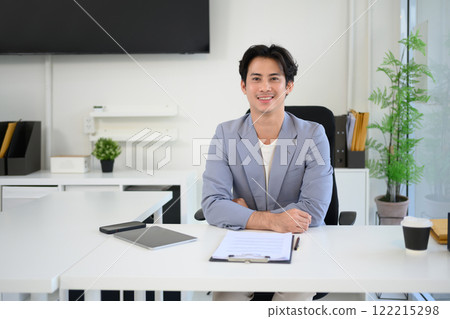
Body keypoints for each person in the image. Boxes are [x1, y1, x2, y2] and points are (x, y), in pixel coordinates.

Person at [201, 44, 333, 301]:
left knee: (295, 293)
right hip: (244, 242)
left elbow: (314, 211)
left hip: (299, 239)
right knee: (225, 298)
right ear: (243, 86)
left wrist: (242, 213)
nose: (265, 87)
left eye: (274, 79)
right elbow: (212, 205)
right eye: (256, 79)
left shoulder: (313, 135)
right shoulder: (225, 134)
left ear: (289, 86)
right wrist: (274, 220)